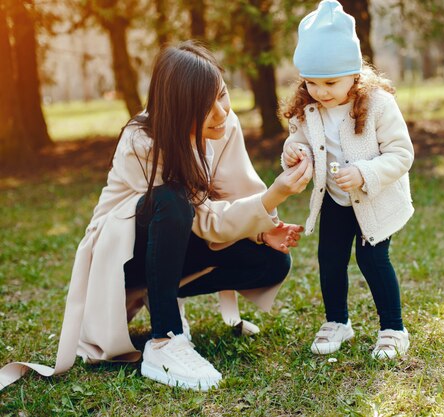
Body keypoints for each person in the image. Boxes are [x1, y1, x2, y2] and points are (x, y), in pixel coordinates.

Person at [0, 40, 312, 392]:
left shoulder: (225, 126)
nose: (221, 113)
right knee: (172, 200)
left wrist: (260, 231)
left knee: (273, 262)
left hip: (181, 238)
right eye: (204, 107)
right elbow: (201, 217)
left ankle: (161, 291)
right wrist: (279, 192)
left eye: (222, 95)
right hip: (126, 255)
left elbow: (241, 196)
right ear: (178, 110)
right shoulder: (141, 140)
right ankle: (164, 340)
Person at [280, 0, 414, 360]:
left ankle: (392, 329)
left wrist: (365, 173)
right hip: (334, 198)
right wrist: (294, 152)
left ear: (354, 74)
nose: (320, 91)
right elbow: (298, 139)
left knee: (372, 260)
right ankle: (337, 321)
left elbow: (402, 154)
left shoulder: (378, 105)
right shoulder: (308, 108)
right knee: (330, 258)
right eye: (311, 82)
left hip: (374, 198)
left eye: (330, 82)